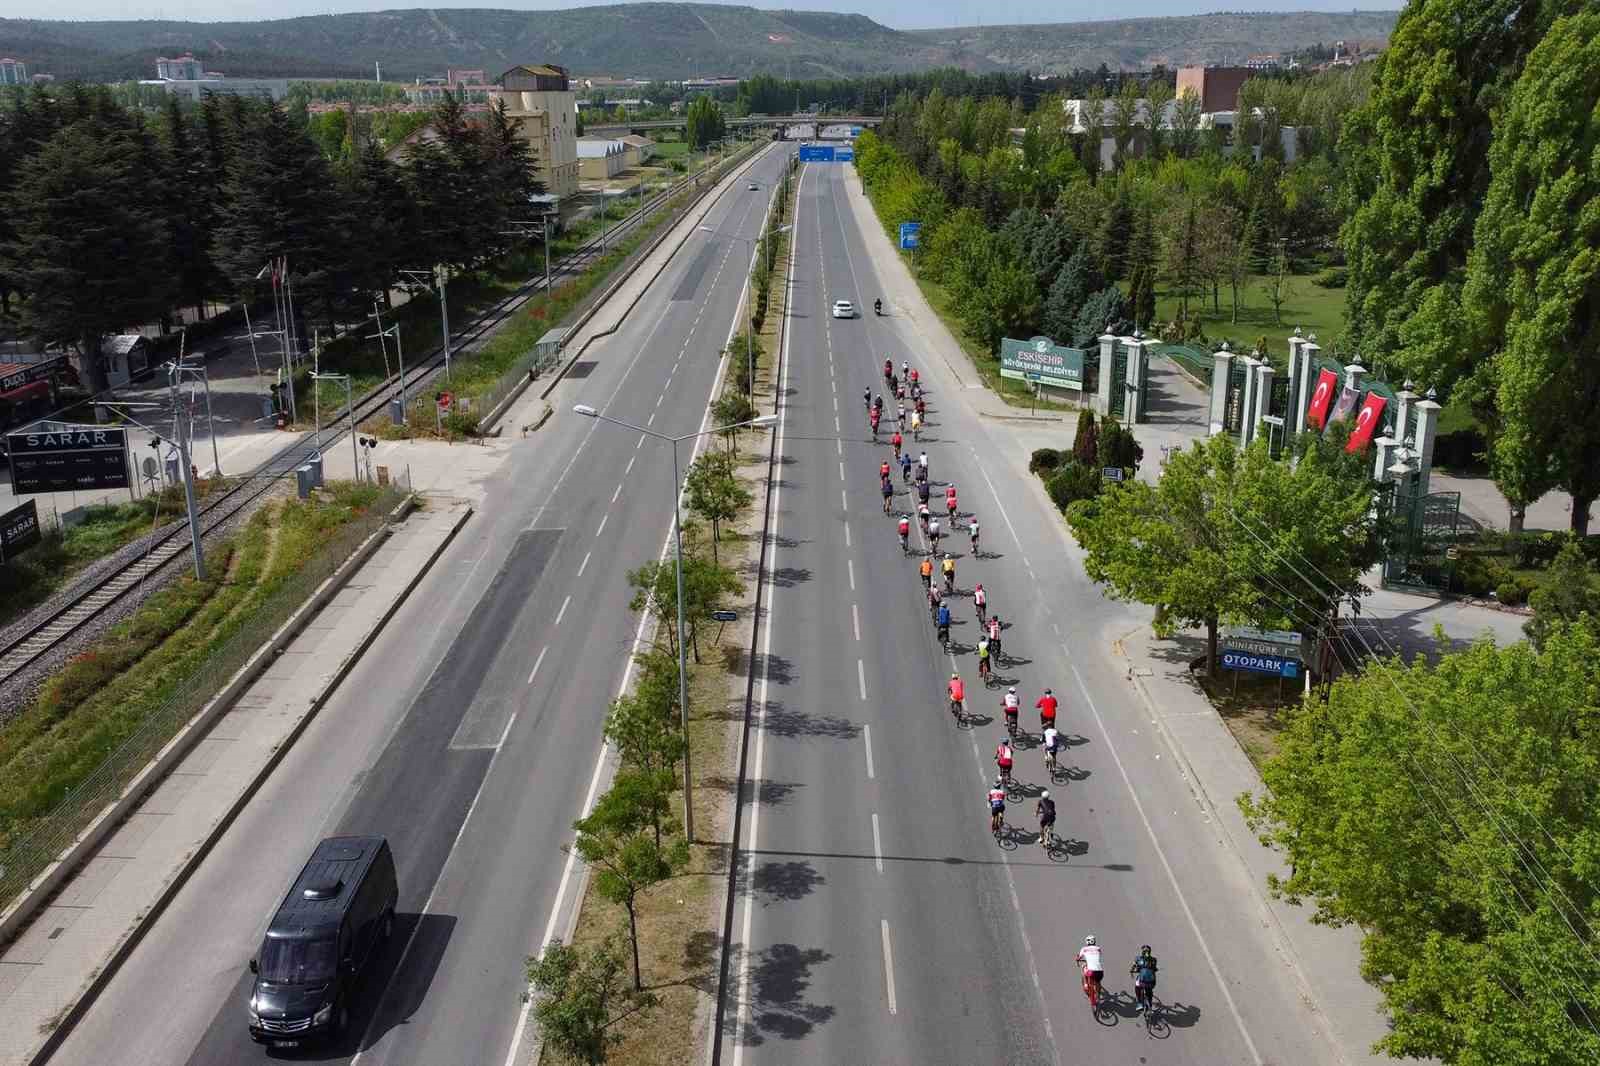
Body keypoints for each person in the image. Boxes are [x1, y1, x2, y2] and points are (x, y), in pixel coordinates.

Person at [1130, 946, 1159, 1014]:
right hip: (1152, 981)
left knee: (1137, 987)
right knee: (1149, 992)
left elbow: (1134, 967)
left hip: (1142, 980)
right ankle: (1150, 1007)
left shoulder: (1138, 959)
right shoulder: (1154, 959)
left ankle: (1140, 1003)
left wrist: (1132, 971)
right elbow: (1154, 969)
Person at [1077, 936, 1104, 1005]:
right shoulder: (1098, 948)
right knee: (1098, 982)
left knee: (1084, 968)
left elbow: (1079, 957)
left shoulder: (1084, 949)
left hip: (1090, 972)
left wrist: (1077, 959)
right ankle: (1098, 996)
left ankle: (1086, 984)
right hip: (1100, 972)